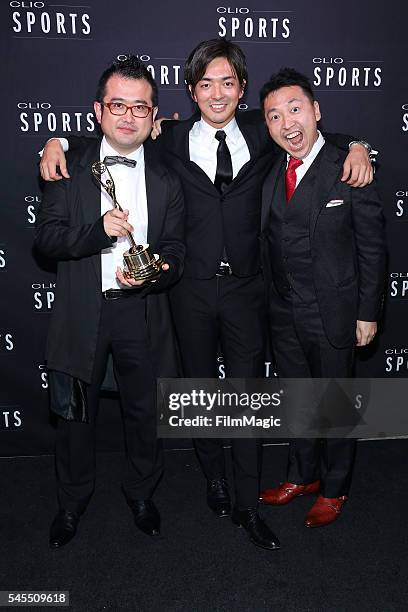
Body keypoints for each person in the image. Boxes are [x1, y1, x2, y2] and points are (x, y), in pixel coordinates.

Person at [39, 39, 372, 551]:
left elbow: (310, 134)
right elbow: (110, 133)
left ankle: (245, 502)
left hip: (246, 291)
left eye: (228, 83)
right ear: (191, 91)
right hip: (186, 292)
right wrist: (56, 140)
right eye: (205, 84)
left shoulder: (265, 132)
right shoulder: (166, 138)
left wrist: (355, 146)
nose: (217, 94)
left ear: (241, 90)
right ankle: (214, 479)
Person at [35, 56, 185, 548]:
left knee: (144, 411)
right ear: (98, 111)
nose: (127, 115)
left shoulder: (168, 171)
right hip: (84, 313)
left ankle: (142, 492)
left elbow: (179, 249)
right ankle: (71, 501)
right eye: (117, 104)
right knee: (76, 415)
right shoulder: (67, 163)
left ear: (153, 115)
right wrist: (97, 233)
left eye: (139, 106)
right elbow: (48, 242)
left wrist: (159, 272)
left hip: (141, 310)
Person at [258, 68, 385, 527]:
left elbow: (372, 248)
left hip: (334, 313)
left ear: (316, 112)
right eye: (274, 116)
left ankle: (335, 488)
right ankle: (301, 474)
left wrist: (368, 313)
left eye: (295, 109)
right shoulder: (270, 166)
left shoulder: (349, 167)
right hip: (283, 312)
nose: (286, 123)